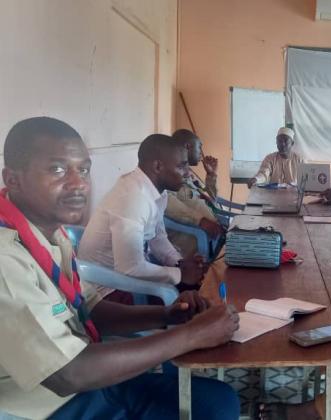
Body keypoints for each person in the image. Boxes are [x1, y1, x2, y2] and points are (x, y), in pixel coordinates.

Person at [0, 117, 240, 419]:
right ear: (13, 179)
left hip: (89, 382)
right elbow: (66, 373)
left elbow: (88, 309)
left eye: (83, 170)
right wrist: (191, 335)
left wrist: (167, 315)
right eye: (57, 169)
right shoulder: (6, 260)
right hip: (53, 405)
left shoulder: (50, 233)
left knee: (219, 401)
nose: (78, 184)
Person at [79, 134, 207, 301]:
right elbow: (129, 268)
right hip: (106, 290)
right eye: (181, 166)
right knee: (191, 302)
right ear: (158, 166)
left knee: (200, 287)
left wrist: (179, 263)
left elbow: (157, 238)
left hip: (129, 274)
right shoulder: (133, 199)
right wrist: (180, 274)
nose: (188, 173)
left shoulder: (157, 193)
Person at [165, 129, 224, 258]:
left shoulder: (189, 173)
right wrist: (200, 220)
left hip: (215, 240)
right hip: (195, 248)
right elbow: (166, 202)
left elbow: (212, 201)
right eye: (199, 147)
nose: (201, 153)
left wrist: (211, 175)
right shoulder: (169, 173)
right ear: (188, 147)